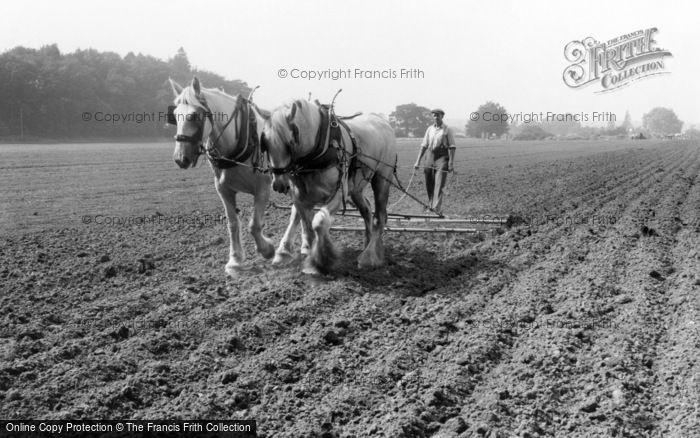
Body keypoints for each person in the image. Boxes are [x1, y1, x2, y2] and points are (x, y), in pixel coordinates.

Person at [413, 108, 456, 213]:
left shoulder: (447, 129)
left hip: (442, 158)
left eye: (438, 115)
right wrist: (417, 161)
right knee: (429, 182)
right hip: (430, 157)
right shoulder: (429, 129)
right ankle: (431, 204)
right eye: (434, 115)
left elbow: (452, 147)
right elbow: (423, 146)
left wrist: (450, 163)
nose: (436, 117)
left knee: (439, 183)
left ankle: (436, 208)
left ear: (442, 116)